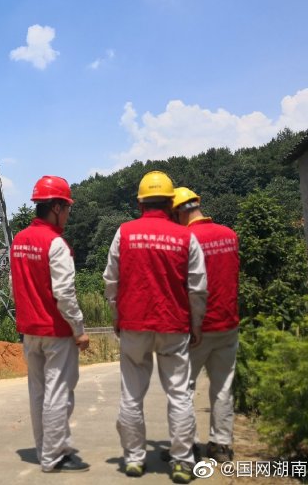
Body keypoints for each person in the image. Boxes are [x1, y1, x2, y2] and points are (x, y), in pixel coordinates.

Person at [103, 170, 208, 484]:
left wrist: (117, 315)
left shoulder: (124, 233)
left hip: (134, 324)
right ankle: (182, 462)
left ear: (140, 204)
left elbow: (111, 280)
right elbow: (198, 288)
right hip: (174, 326)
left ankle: (135, 460)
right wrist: (196, 324)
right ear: (171, 203)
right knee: (179, 395)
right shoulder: (186, 237)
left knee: (131, 395)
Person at [10, 175, 91, 473]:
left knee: (39, 393)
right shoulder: (56, 243)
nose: (68, 214)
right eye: (67, 208)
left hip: (30, 331)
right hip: (56, 331)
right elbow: (65, 293)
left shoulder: (19, 240)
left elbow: (14, 286)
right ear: (56, 207)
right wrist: (79, 329)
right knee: (59, 393)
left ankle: (46, 449)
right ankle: (55, 456)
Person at [172, 187, 239, 463]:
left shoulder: (184, 240)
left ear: (179, 212)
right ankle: (221, 446)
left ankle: (187, 447)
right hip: (228, 324)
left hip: (195, 329)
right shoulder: (229, 235)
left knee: (183, 389)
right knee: (223, 387)